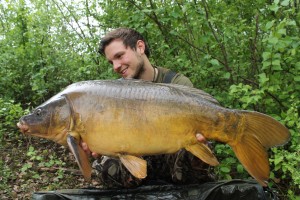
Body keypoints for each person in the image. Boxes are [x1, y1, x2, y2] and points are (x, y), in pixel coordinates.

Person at [81, 27, 215, 188]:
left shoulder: (176, 83)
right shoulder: (114, 94)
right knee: (107, 164)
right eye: (111, 62)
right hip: (136, 156)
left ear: (140, 47)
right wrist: (99, 144)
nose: (115, 66)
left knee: (195, 150)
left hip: (170, 156)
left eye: (119, 56)